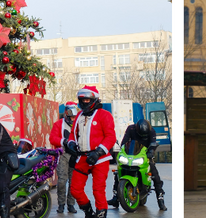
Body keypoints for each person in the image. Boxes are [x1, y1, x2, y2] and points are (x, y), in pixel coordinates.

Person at [65, 86, 116, 218]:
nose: (84, 102)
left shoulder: (105, 115)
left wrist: (98, 152)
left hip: (100, 158)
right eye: (82, 99)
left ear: (94, 99)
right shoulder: (79, 116)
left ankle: (101, 214)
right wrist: (71, 144)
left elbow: (110, 137)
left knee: (98, 190)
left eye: (87, 99)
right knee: (75, 189)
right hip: (82, 157)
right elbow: (72, 134)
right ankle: (88, 212)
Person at [107, 119, 166, 211]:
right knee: (118, 172)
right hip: (131, 155)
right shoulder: (131, 129)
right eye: (141, 134)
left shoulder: (151, 131)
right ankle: (115, 197)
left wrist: (151, 151)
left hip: (145, 155)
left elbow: (153, 142)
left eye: (145, 135)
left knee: (154, 174)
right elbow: (124, 142)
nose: (143, 136)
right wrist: (122, 150)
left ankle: (160, 198)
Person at [49, 102, 79, 214]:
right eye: (71, 117)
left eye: (74, 117)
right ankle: (61, 204)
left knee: (73, 182)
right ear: (66, 115)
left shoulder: (79, 125)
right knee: (62, 181)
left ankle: (71, 204)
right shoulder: (58, 124)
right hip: (63, 154)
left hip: (76, 155)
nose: (73, 119)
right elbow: (52, 138)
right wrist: (63, 141)